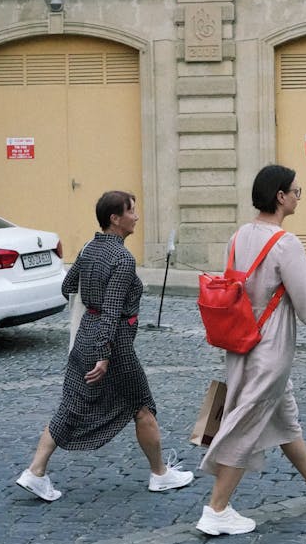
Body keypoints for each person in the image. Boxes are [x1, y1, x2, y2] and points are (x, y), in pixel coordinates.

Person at [196, 164, 306, 537]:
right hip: (271, 347)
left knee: (282, 417)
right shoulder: (286, 244)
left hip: (240, 342)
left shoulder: (237, 237)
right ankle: (216, 509)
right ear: (280, 196)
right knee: (246, 420)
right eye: (297, 192)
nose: (299, 197)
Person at [16, 190, 193, 502]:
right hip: (114, 346)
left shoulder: (90, 248)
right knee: (142, 407)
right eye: (131, 211)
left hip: (86, 336)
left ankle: (35, 472)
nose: (137, 216)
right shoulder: (123, 258)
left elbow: (68, 287)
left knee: (70, 406)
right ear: (115, 218)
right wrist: (105, 355)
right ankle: (160, 475)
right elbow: (112, 311)